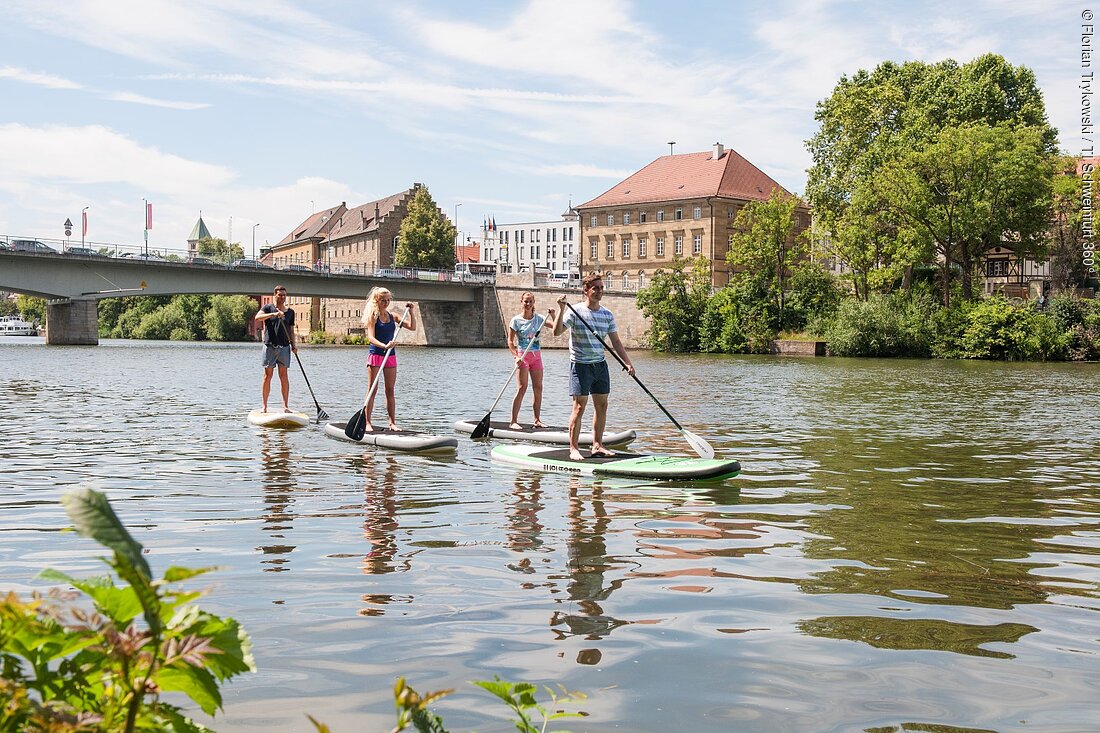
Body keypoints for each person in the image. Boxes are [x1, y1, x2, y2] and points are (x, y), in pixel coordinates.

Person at [554, 273, 634, 460]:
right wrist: (560, 309)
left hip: (600, 365)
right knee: (579, 407)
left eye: (601, 288)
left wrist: (627, 362)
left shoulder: (607, 314)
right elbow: (557, 332)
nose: (599, 291)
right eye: (595, 288)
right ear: (586, 290)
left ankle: (597, 445)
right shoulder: (575, 311)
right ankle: (573, 448)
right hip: (581, 366)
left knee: (602, 406)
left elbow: (616, 341)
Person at [362, 286, 416, 432]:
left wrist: (411, 311)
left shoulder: (394, 316)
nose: (386, 303)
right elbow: (370, 337)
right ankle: (367, 422)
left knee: (390, 390)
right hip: (376, 355)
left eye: (388, 300)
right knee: (372, 390)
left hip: (390, 356)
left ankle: (392, 423)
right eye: (383, 300)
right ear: (377, 301)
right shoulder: (373, 316)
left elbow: (412, 327)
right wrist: (384, 345)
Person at [507, 292, 558, 430]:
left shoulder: (539, 319)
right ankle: (513, 421)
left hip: (536, 357)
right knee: (522, 388)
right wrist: (516, 356)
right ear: (521, 302)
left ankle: (537, 420)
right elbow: (510, 341)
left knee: (538, 388)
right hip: (523, 356)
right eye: (525, 301)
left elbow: (556, 327)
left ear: (534, 302)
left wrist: (553, 314)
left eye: (530, 302)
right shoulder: (516, 320)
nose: (528, 304)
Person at [255, 285, 297, 413]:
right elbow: (258, 317)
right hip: (270, 347)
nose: (283, 297)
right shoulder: (268, 308)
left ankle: (285, 406)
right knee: (267, 376)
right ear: (275, 295)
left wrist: (294, 346)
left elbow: (291, 331)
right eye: (280, 295)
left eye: (284, 295)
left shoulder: (290, 312)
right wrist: (273, 314)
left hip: (284, 347)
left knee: (284, 376)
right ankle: (264, 406)